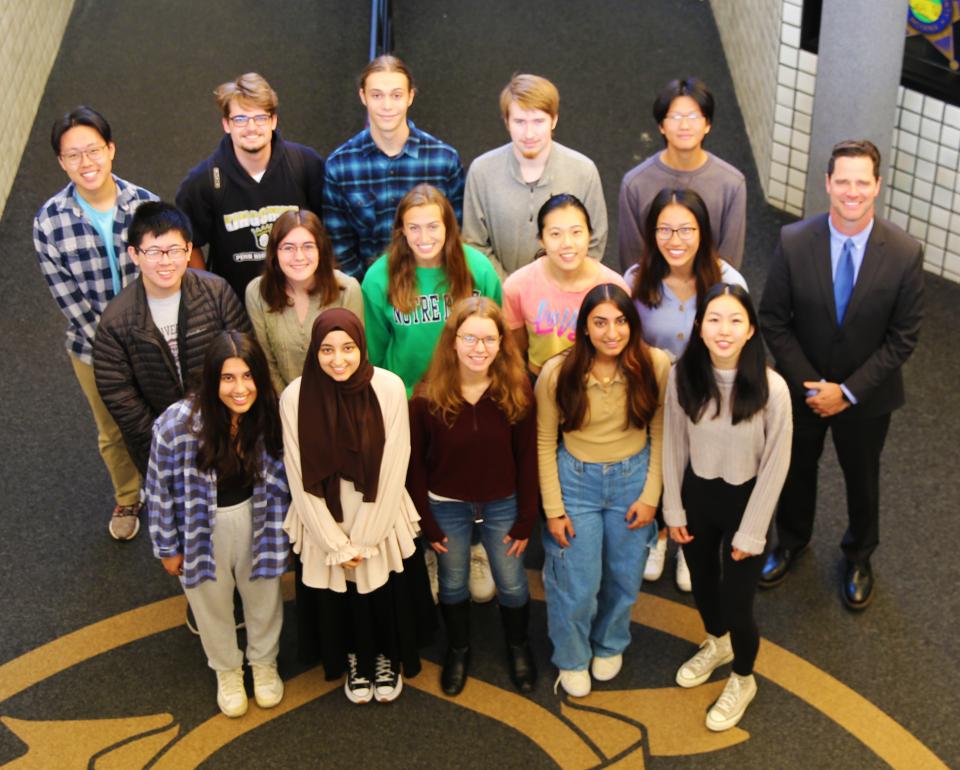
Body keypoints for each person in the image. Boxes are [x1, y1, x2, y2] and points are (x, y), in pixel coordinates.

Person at [758, 139, 923, 609]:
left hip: (867, 397)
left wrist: (847, 392)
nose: (852, 191)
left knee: (862, 476)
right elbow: (773, 319)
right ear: (828, 184)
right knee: (796, 469)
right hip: (803, 389)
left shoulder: (905, 253)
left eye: (862, 182)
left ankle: (859, 555)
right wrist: (814, 387)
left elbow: (902, 338)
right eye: (843, 181)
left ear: (877, 186)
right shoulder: (794, 241)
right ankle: (790, 541)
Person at [279, 308, 436, 704]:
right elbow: (298, 475)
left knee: (382, 595)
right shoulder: (294, 396)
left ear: (361, 347)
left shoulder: (387, 387)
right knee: (340, 601)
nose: (338, 359)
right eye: (327, 350)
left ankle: (385, 657)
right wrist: (336, 544)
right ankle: (354, 658)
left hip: (378, 516)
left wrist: (364, 540)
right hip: (323, 520)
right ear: (314, 351)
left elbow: (395, 463)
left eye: (348, 348)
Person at [663, 284, 792, 731]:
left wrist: (753, 532)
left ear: (751, 328)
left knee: (738, 604)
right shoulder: (683, 375)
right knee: (701, 584)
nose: (724, 329)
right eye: (714, 319)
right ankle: (716, 644)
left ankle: (743, 677)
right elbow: (673, 445)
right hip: (699, 495)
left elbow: (777, 466)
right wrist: (674, 511)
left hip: (746, 503)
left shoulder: (773, 389)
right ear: (699, 328)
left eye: (735, 320)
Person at [536, 283, 670, 697]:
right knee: (576, 582)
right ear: (585, 327)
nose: (612, 332)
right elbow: (543, 442)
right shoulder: (558, 373)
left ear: (632, 324)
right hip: (576, 483)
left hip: (633, 480)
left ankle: (611, 642)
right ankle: (572, 656)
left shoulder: (656, 364)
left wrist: (651, 496)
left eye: (620, 321)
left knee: (625, 576)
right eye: (600, 323)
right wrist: (554, 510)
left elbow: (662, 433)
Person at [146, 331, 289, 718]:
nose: (240, 388)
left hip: (260, 519)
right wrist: (167, 547)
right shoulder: (175, 425)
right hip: (199, 529)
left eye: (248, 376)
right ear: (211, 380)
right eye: (228, 378)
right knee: (211, 606)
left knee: (264, 599)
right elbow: (158, 490)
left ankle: (263, 664)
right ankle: (227, 671)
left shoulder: (271, 415)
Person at [33, 106, 158, 540]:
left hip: (152, 338)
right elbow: (65, 296)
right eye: (73, 156)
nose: (86, 163)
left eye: (93, 151)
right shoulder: (49, 222)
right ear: (61, 163)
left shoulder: (144, 204)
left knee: (166, 416)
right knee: (112, 429)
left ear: (111, 150)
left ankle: (173, 491)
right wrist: (111, 347)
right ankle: (128, 496)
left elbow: (161, 274)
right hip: (91, 348)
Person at [408, 297, 538, 695]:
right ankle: (459, 649)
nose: (479, 349)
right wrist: (425, 521)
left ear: (502, 344)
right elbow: (416, 466)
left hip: (503, 503)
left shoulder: (516, 391)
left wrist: (526, 516)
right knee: (453, 582)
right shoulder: (427, 396)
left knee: (512, 583)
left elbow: (528, 457)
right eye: (469, 338)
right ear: (452, 341)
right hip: (446, 506)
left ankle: (518, 647)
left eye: (489, 339)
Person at [625, 187, 747, 590]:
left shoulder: (728, 280)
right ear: (651, 233)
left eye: (686, 229)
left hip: (709, 400)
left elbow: (743, 340)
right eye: (664, 230)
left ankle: (689, 547)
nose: (675, 241)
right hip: (655, 399)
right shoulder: (636, 280)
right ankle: (659, 536)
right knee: (661, 464)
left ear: (703, 231)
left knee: (699, 472)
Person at [94, 201, 251, 485]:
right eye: (154, 251)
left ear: (189, 250)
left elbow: (244, 357)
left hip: (225, 428)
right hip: (162, 444)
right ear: (134, 254)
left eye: (175, 251)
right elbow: (119, 395)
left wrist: (227, 424)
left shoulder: (216, 292)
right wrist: (167, 436)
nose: (166, 262)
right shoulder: (115, 321)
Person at [176, 72, 325, 300]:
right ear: (226, 124)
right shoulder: (203, 181)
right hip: (237, 310)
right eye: (240, 119)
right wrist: (209, 296)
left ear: (273, 121)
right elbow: (187, 244)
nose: (251, 127)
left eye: (260, 118)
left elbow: (329, 231)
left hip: (300, 303)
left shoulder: (306, 165)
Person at [323, 55, 465, 279]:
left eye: (396, 95)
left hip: (435, 293)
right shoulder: (340, 165)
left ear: (410, 97)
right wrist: (371, 289)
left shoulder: (444, 160)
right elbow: (339, 246)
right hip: (368, 294)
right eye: (377, 95)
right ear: (363, 96)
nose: (387, 106)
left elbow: (457, 235)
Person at [361, 184, 501, 398]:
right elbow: (375, 352)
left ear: (447, 226)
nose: (424, 237)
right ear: (402, 230)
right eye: (414, 227)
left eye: (433, 226)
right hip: (405, 396)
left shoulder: (479, 269)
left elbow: (499, 336)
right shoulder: (378, 278)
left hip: (470, 394)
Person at [462, 73, 608, 276]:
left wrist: (556, 286)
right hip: (502, 297)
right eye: (520, 121)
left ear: (554, 120)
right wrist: (511, 290)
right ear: (506, 121)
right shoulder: (482, 171)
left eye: (538, 121)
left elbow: (594, 242)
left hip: (565, 295)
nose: (529, 134)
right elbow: (474, 243)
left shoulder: (584, 171)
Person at [618, 77, 746, 271]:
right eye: (675, 117)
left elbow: (729, 262)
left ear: (707, 124)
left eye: (694, 117)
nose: (684, 126)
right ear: (661, 126)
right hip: (652, 294)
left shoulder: (732, 183)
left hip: (711, 293)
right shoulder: (635, 183)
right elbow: (633, 260)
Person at [503, 194, 629, 376]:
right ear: (541, 239)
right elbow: (517, 348)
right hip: (538, 383)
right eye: (555, 234)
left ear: (590, 235)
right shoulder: (517, 286)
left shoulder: (614, 286)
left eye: (576, 232)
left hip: (599, 385)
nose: (567, 243)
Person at [246, 210, 362, 395]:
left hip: (340, 401)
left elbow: (356, 358)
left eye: (308, 246)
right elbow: (266, 362)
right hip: (283, 404)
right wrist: (289, 406)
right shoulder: (257, 292)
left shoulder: (347, 289)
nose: (299, 256)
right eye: (288, 247)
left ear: (320, 250)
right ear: (274, 252)